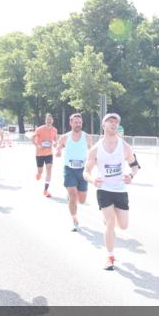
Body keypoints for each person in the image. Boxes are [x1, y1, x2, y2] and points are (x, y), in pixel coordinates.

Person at [84, 113, 139, 270]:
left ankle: (108, 221)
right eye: (110, 121)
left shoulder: (125, 147)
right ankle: (110, 257)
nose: (113, 124)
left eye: (116, 122)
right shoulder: (95, 149)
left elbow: (135, 166)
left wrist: (131, 175)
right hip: (104, 190)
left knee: (123, 226)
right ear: (103, 125)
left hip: (120, 190)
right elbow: (85, 172)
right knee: (110, 223)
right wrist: (93, 180)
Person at [56, 113, 95, 231]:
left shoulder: (87, 137)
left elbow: (93, 152)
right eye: (76, 122)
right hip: (69, 170)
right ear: (71, 123)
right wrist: (57, 152)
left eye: (80, 122)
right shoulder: (64, 137)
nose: (78, 124)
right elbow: (58, 147)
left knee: (82, 200)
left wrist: (93, 164)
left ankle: (72, 200)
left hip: (83, 171)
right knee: (73, 194)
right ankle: (74, 219)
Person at [33, 113, 58, 197]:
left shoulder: (54, 130)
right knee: (40, 171)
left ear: (52, 120)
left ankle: (45, 190)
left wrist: (55, 144)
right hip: (39, 154)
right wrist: (37, 145)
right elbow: (32, 138)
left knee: (49, 168)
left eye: (50, 119)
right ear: (45, 120)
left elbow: (55, 140)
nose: (49, 121)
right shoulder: (40, 129)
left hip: (49, 153)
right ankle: (39, 174)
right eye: (47, 119)